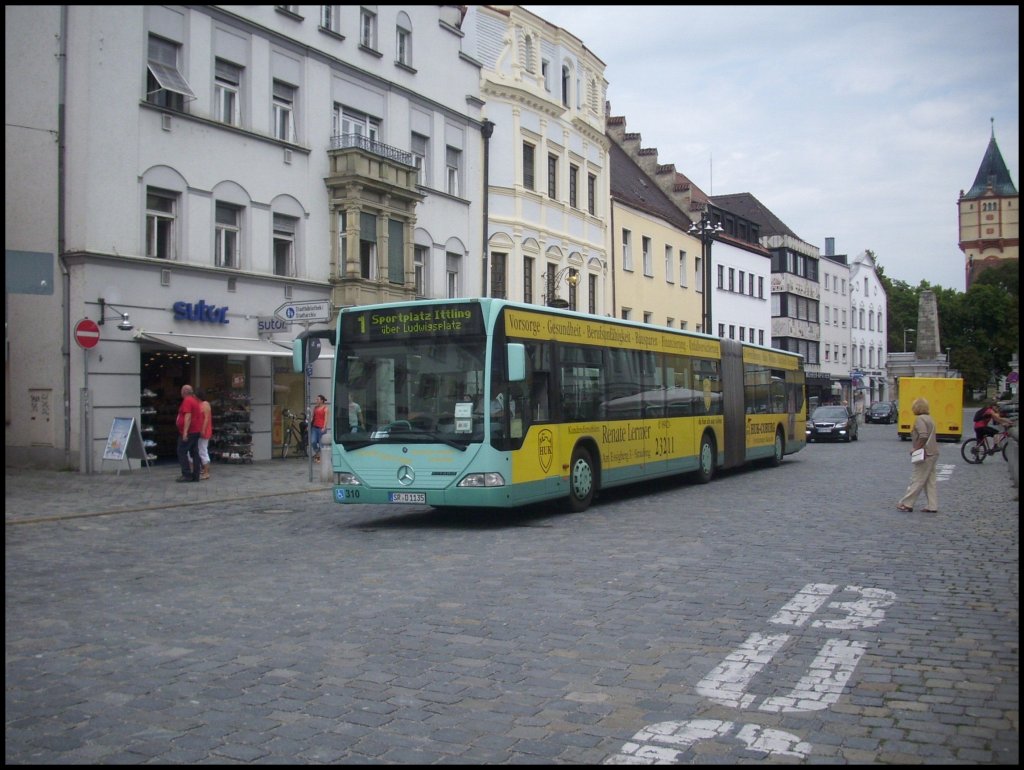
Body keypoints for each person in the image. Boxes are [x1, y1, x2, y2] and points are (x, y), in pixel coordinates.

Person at [897, 397, 939, 513]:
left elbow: (923, 435)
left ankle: (907, 503)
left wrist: (916, 448)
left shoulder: (919, 419)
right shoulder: (930, 419)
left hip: (925, 453)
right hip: (934, 452)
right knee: (930, 480)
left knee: (917, 478)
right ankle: (932, 505)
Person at [175, 384, 203, 483]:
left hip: (190, 431)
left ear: (184, 392)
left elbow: (188, 416)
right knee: (194, 452)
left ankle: (186, 474)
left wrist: (185, 432)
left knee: (181, 451)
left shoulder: (187, 400)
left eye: (181, 391)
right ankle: (196, 474)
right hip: (195, 431)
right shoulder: (195, 401)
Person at [196, 389, 213, 481]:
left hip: (204, 431)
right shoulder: (200, 404)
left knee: (203, 450)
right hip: (200, 430)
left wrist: (202, 429)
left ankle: (206, 472)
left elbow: (206, 418)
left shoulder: (205, 404)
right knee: (200, 450)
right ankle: (203, 469)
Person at [311, 394, 329, 462]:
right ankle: (317, 453)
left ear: (321, 401)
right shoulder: (315, 408)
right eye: (316, 399)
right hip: (314, 428)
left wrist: (324, 427)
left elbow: (326, 419)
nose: (316, 400)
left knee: (321, 444)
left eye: (318, 399)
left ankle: (320, 457)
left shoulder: (325, 408)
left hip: (321, 428)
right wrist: (309, 425)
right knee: (313, 442)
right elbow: (313, 417)